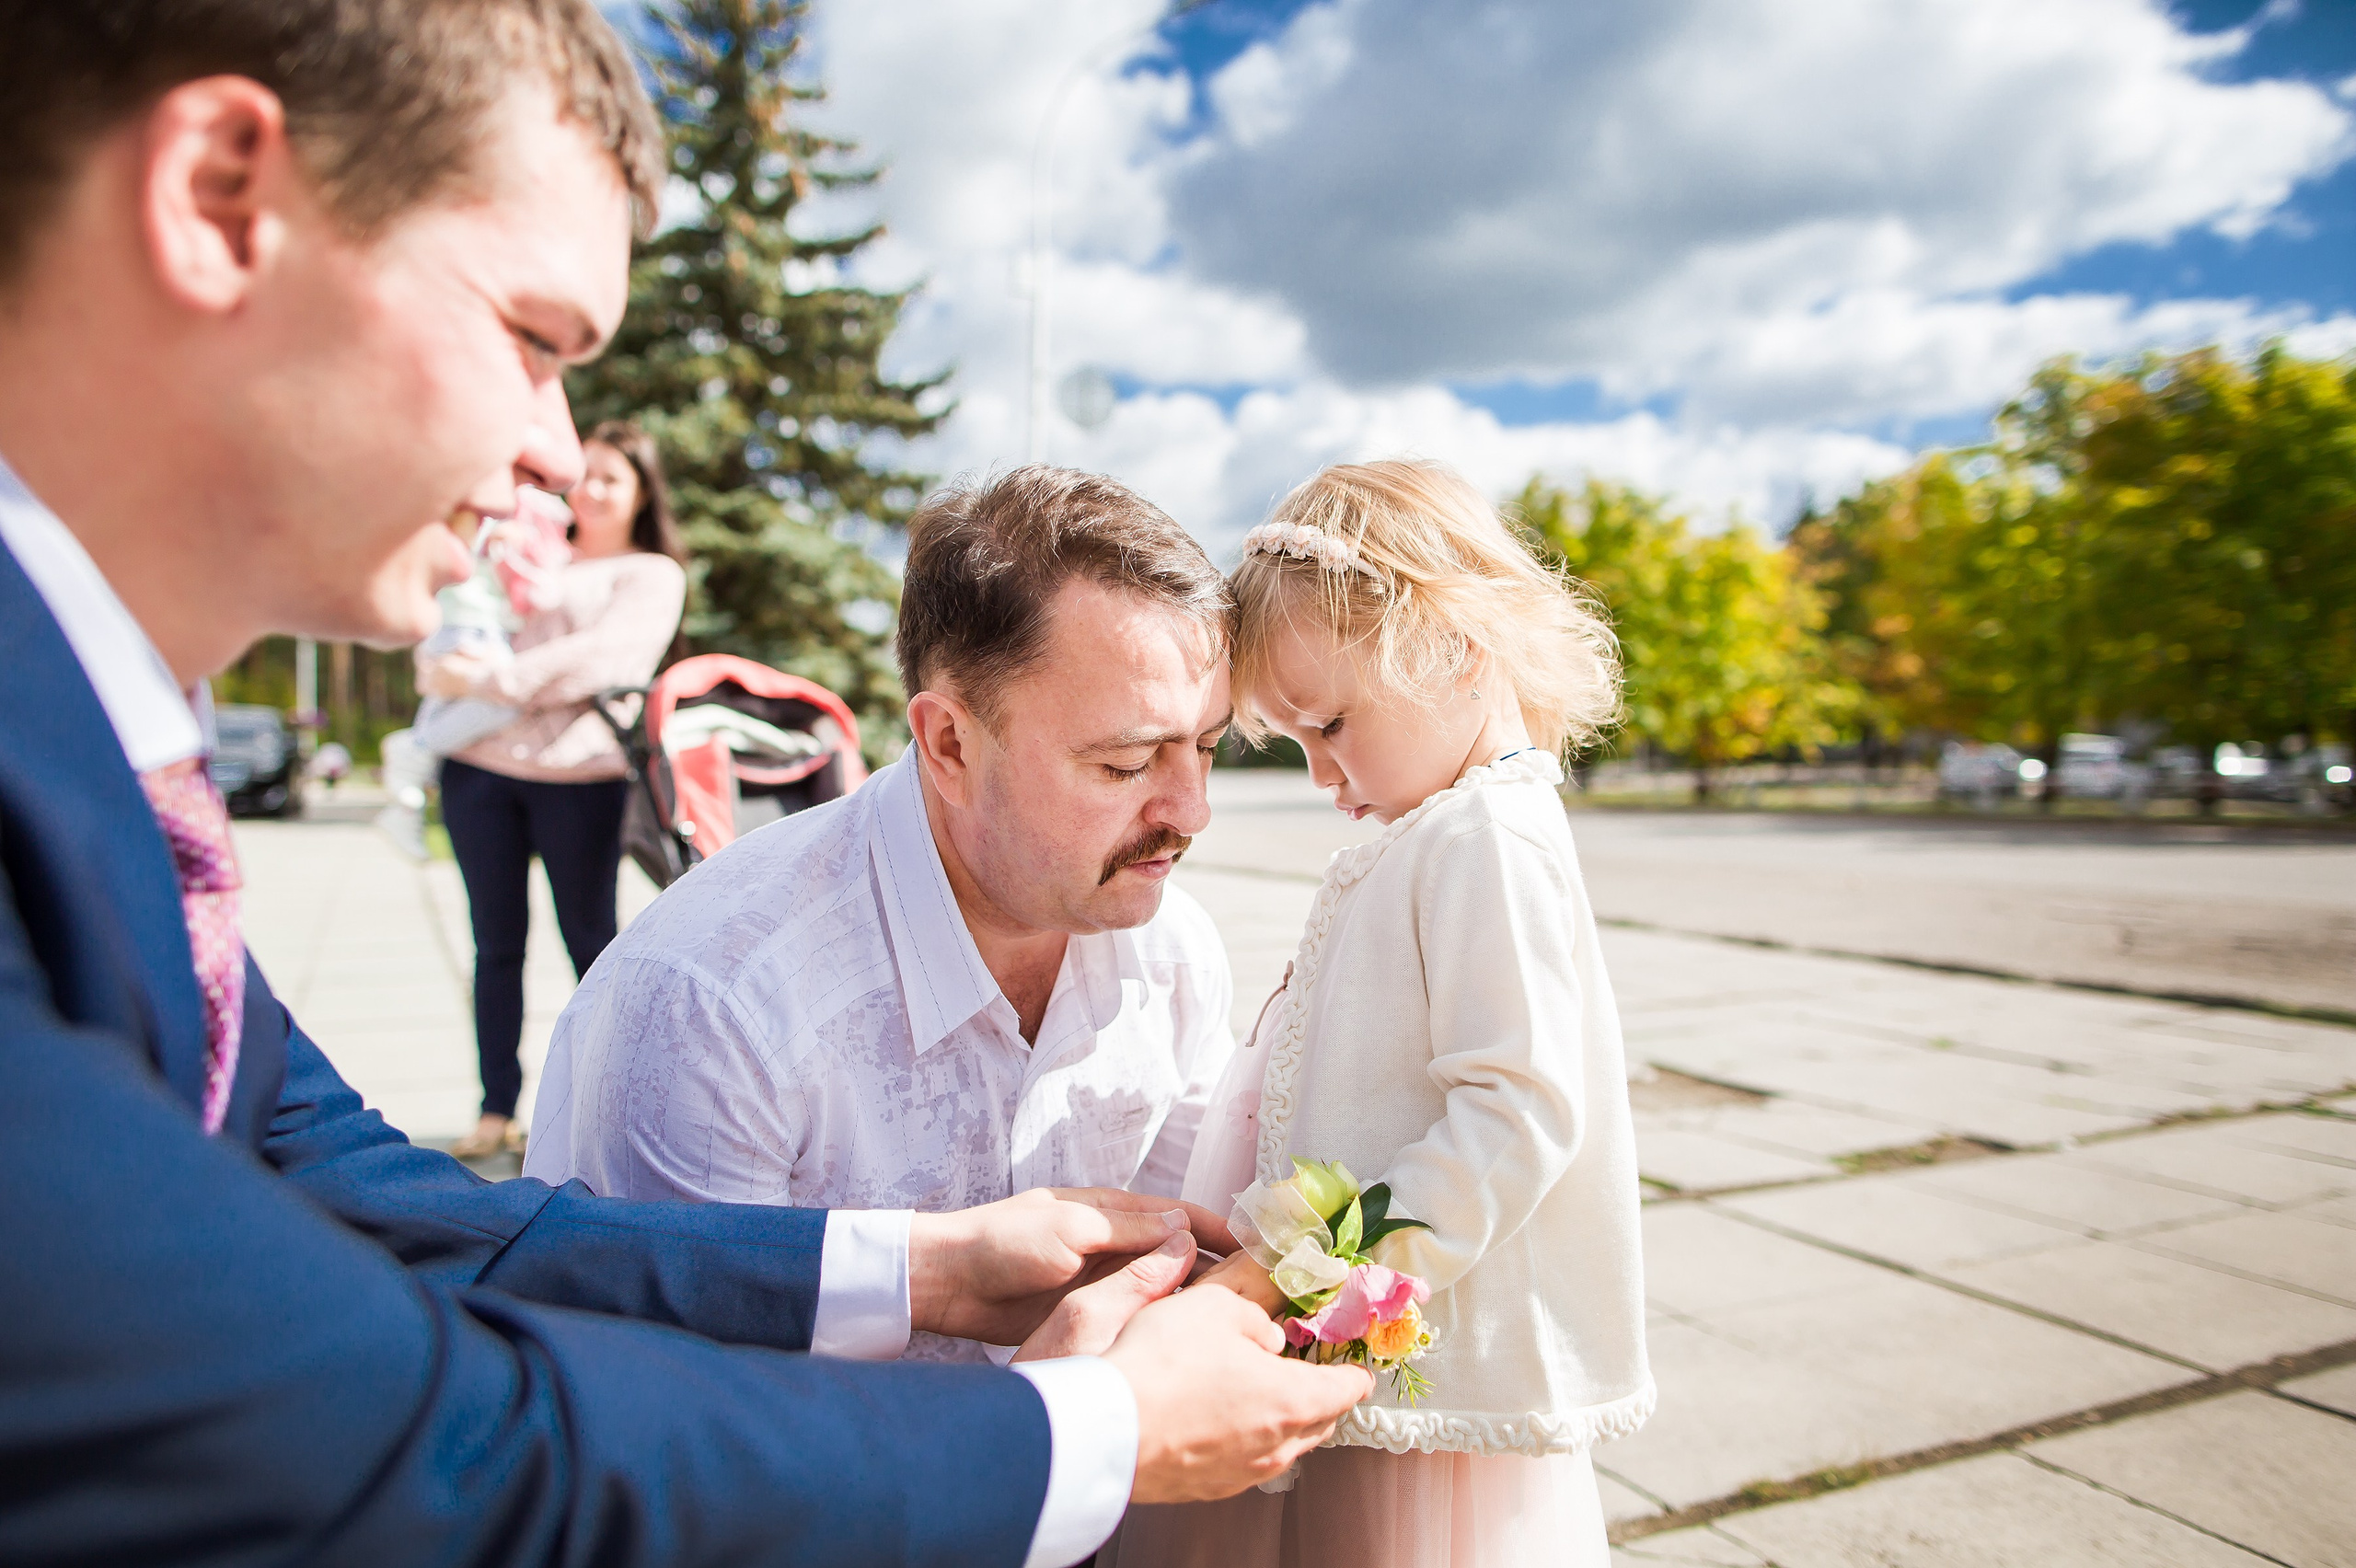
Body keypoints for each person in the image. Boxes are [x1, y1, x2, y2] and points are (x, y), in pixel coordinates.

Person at [0, 4, 1372, 1564]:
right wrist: (1089, 1433)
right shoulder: (721, 989)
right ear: (216, 199)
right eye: (532, 339)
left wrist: (923, 1267)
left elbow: (378, 1200)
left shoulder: (90, 769)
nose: (558, 451)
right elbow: (425, 1452)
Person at [525, 467, 1238, 1361]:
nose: (1192, 811)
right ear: (950, 743)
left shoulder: (1173, 955)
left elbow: (1173, 1297)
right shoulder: (713, 1007)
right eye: (1126, 764)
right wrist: (1052, 1415)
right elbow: (681, 1412)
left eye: (1209, 746)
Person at [1107, 461, 1654, 1568]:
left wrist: (1308, 1272)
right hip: (1360, 1335)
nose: (1320, 772)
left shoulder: (1485, 837)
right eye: (1295, 740)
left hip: (1402, 1354)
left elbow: (1515, 1111)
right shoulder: (1443, 829)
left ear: (1453, 648)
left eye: (1331, 725)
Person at [424, 420, 688, 1158]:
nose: (591, 490)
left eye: (611, 478)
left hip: (581, 782)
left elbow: (606, 660)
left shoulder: (649, 574)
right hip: (478, 773)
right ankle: (495, 1109)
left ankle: (604, 1107)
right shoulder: (525, 550)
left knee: (591, 945)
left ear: (642, 493)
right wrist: (455, 672)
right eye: (584, 475)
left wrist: (493, 681)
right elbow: (452, 631)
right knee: (494, 946)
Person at [373, 483, 576, 861]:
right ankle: (414, 752)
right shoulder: (476, 500)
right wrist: (498, 534)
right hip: (465, 625)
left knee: (440, 714)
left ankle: (404, 809)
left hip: (468, 624)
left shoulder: (504, 504)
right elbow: (451, 540)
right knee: (500, 704)